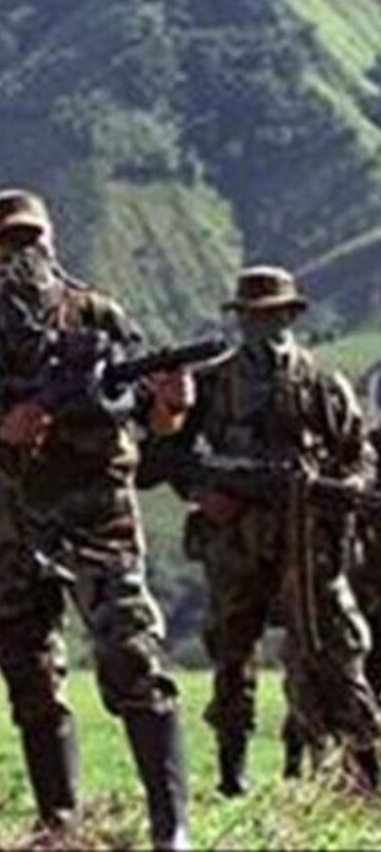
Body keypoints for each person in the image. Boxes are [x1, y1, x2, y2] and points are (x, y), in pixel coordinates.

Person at [0, 189, 190, 849]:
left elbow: (157, 421)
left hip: (98, 514)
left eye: (32, 237)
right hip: (13, 517)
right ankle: (59, 825)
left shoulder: (99, 316)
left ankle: (170, 827)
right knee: (28, 668)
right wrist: (1, 425)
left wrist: (173, 401)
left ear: (53, 238)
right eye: (8, 241)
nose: (23, 253)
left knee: (132, 655)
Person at [154, 266, 380, 796]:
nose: (264, 326)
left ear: (290, 316)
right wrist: (203, 494)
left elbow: (358, 458)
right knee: (232, 655)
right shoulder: (212, 384)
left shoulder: (323, 386)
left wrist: (336, 490)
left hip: (307, 540)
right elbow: (168, 455)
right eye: (254, 316)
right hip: (234, 542)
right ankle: (232, 775)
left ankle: (367, 771)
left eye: (274, 315)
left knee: (339, 647)